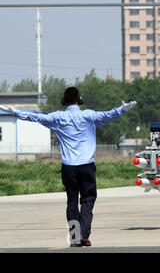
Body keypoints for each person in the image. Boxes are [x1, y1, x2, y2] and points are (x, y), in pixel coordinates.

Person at [0, 87, 137, 247]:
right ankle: (83, 236)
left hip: (68, 167)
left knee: (72, 201)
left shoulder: (57, 117)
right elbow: (108, 115)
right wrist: (122, 109)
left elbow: (35, 117)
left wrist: (15, 112)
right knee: (87, 200)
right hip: (86, 165)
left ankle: (74, 237)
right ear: (80, 100)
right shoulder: (88, 115)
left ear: (64, 101)